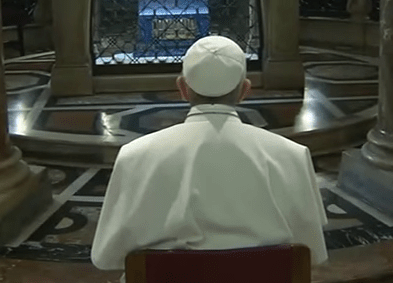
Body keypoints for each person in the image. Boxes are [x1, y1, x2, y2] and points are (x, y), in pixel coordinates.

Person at [91, 35, 328, 279]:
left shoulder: (134, 156)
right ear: (244, 90)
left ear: (182, 88)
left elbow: (106, 256)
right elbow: (312, 252)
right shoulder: (292, 156)